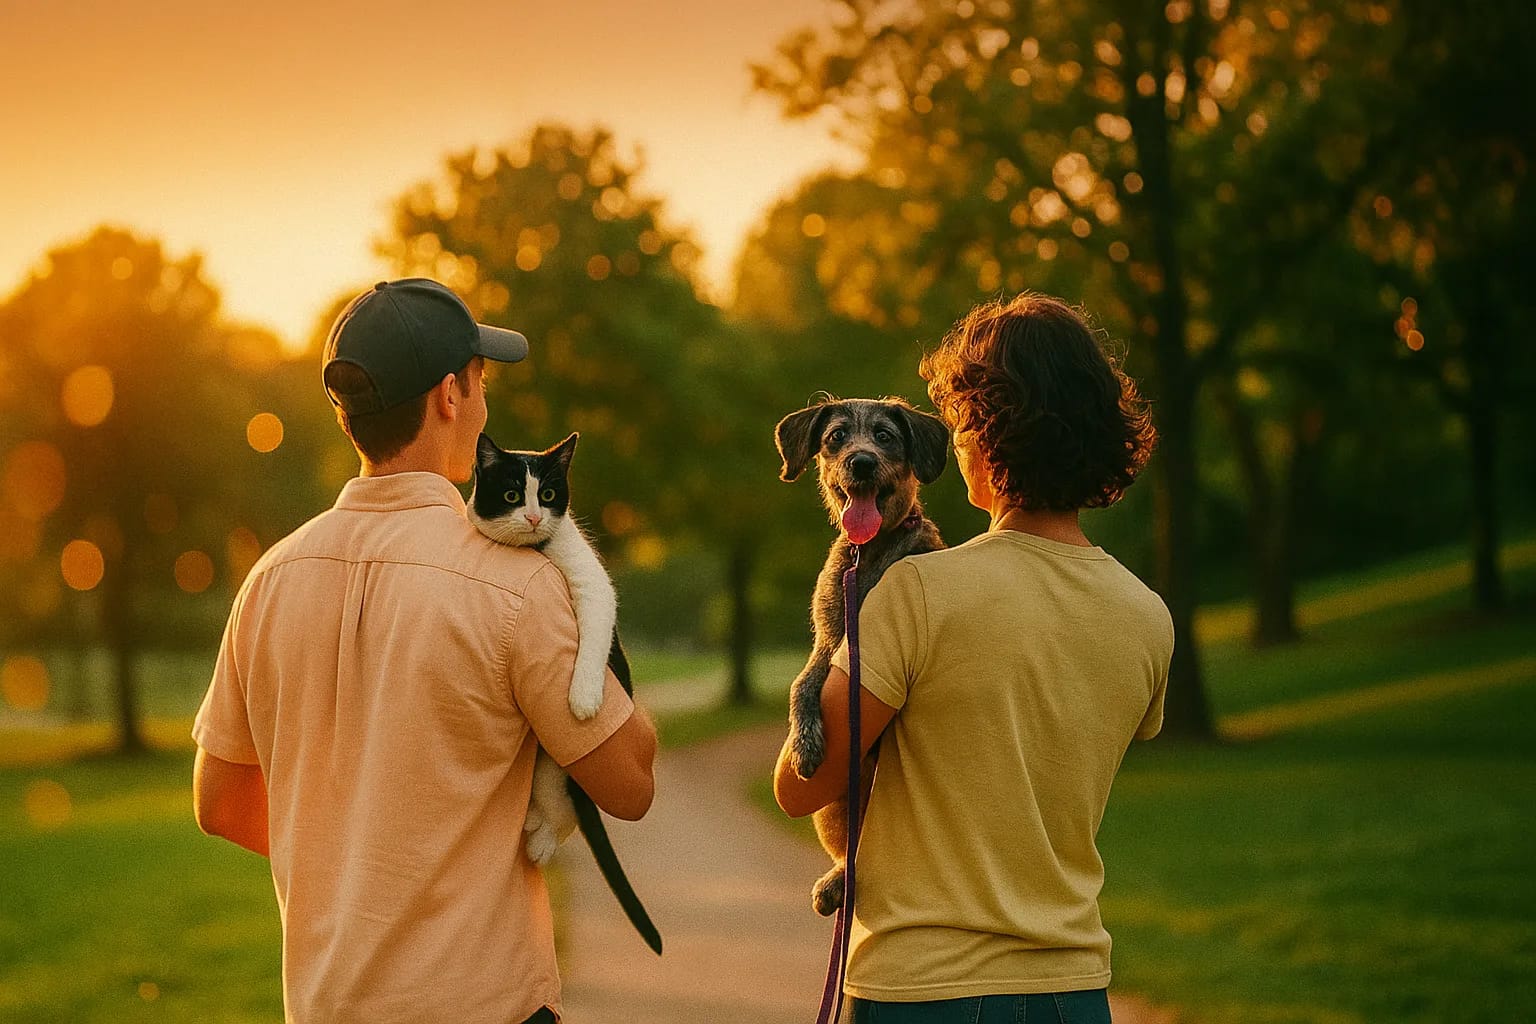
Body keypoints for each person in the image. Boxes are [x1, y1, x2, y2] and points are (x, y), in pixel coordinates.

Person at [192, 278, 657, 1024]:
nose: (483, 401)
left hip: (323, 1006)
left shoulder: (269, 579)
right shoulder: (517, 585)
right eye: (480, 382)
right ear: (450, 396)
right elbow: (630, 782)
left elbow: (220, 803)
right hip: (482, 1005)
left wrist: (354, 871)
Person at [774, 293, 1172, 1024]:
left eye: (958, 424)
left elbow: (803, 787)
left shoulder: (915, 591)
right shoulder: (1148, 617)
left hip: (923, 990)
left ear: (987, 436)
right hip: (1075, 989)